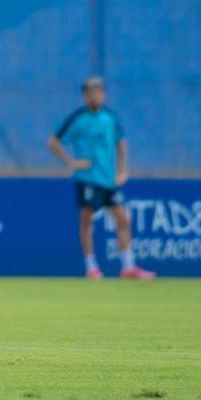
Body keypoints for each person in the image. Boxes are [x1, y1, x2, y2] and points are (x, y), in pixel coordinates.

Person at [47, 77, 155, 280]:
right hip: (88, 178)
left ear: (104, 94)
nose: (94, 95)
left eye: (98, 91)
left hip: (109, 180)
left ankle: (128, 267)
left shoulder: (110, 117)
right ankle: (91, 267)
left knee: (123, 219)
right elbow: (53, 142)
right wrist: (71, 162)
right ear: (84, 96)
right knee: (87, 222)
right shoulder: (78, 118)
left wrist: (122, 171)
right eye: (90, 92)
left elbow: (121, 144)